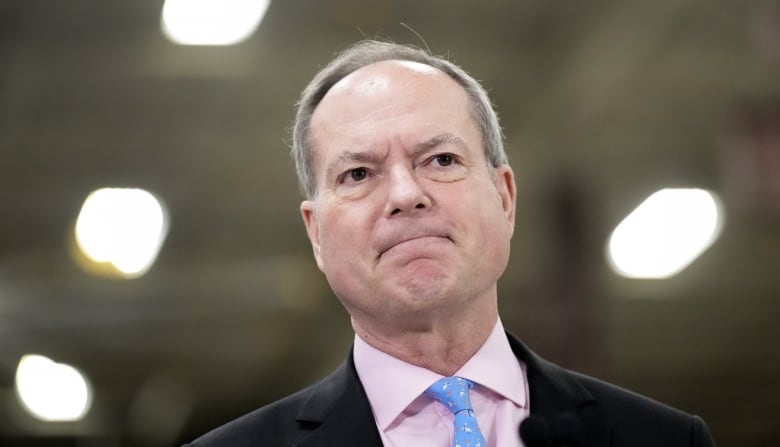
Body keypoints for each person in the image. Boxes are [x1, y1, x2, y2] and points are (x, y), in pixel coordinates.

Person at [185, 40, 716, 447]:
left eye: (440, 160)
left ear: (505, 198)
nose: (405, 194)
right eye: (358, 173)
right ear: (317, 234)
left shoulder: (665, 439)